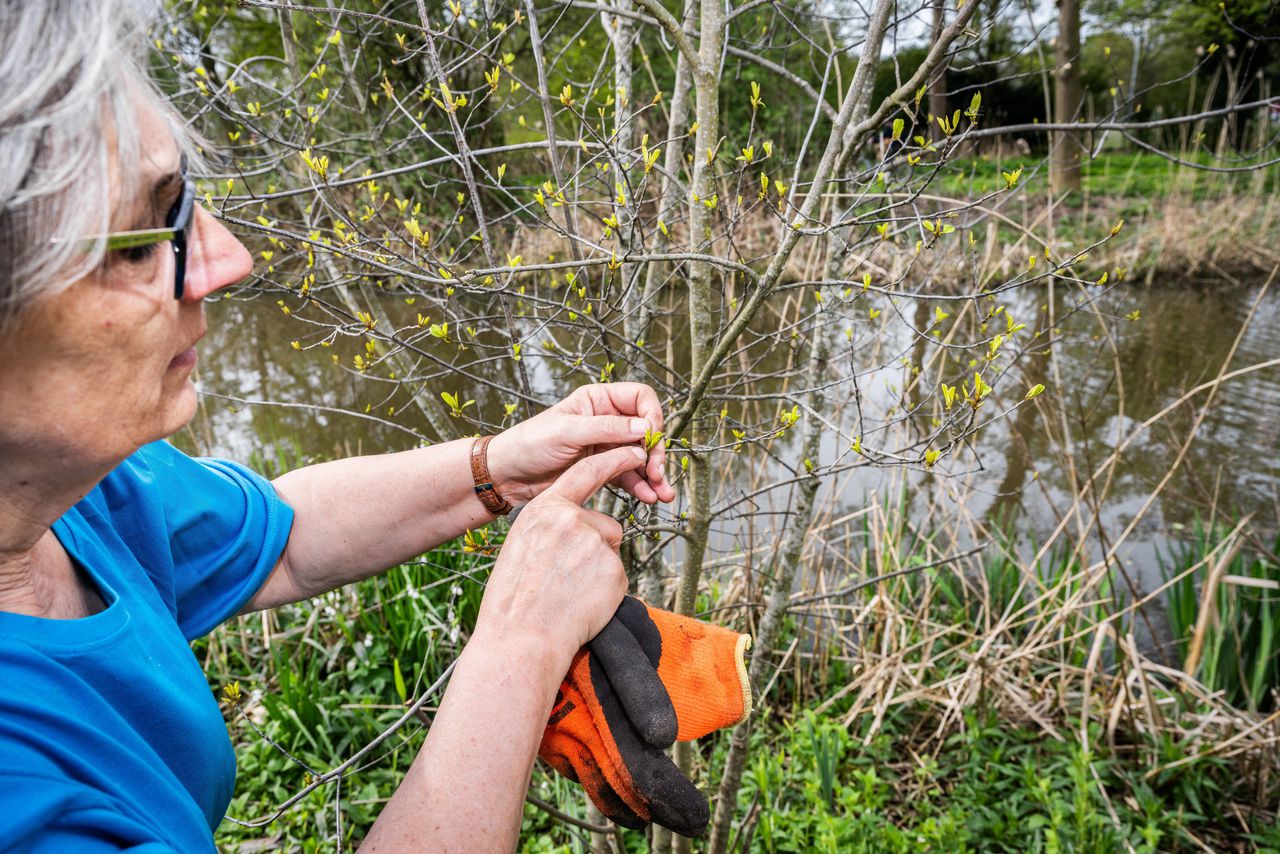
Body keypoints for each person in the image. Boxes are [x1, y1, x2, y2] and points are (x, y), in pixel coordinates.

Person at [0, 1, 677, 850]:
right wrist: (521, 645)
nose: (229, 260)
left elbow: (281, 535)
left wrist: (505, 466)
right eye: (144, 240)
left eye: (188, 200)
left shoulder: (70, 495)